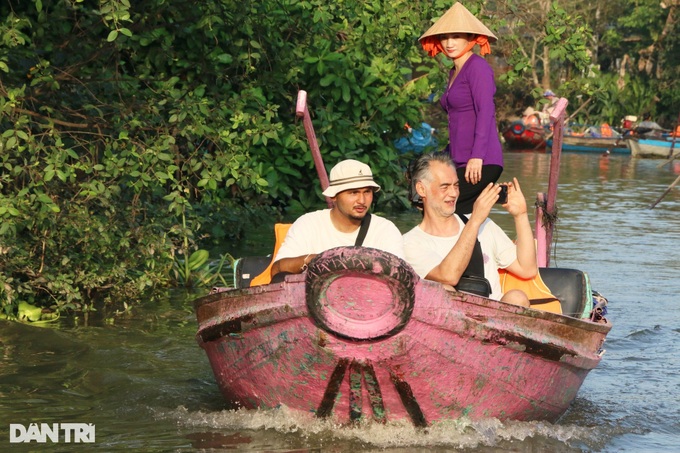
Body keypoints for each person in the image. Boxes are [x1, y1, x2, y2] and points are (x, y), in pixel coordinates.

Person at [403, 153, 538, 307]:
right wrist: (475, 220)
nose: (454, 193)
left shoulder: (485, 225)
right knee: (445, 291)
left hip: (496, 322)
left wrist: (520, 215)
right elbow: (448, 276)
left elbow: (527, 269)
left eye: (456, 185)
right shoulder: (410, 243)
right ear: (421, 189)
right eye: (445, 186)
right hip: (452, 323)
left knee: (517, 297)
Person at [418, 2, 503, 216]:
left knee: (446, 211)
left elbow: (485, 111)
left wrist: (477, 156)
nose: (449, 43)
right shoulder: (454, 72)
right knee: (431, 203)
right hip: (458, 160)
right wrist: (440, 155)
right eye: (445, 37)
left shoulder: (478, 67)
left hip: (480, 161)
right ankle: (497, 196)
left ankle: (500, 194)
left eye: (456, 36)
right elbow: (460, 121)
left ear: (470, 38)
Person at [271, 159, 404, 278]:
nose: (362, 200)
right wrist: (312, 260)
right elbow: (277, 271)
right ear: (334, 196)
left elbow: (400, 276)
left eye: (367, 192)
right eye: (353, 192)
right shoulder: (308, 224)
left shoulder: (385, 230)